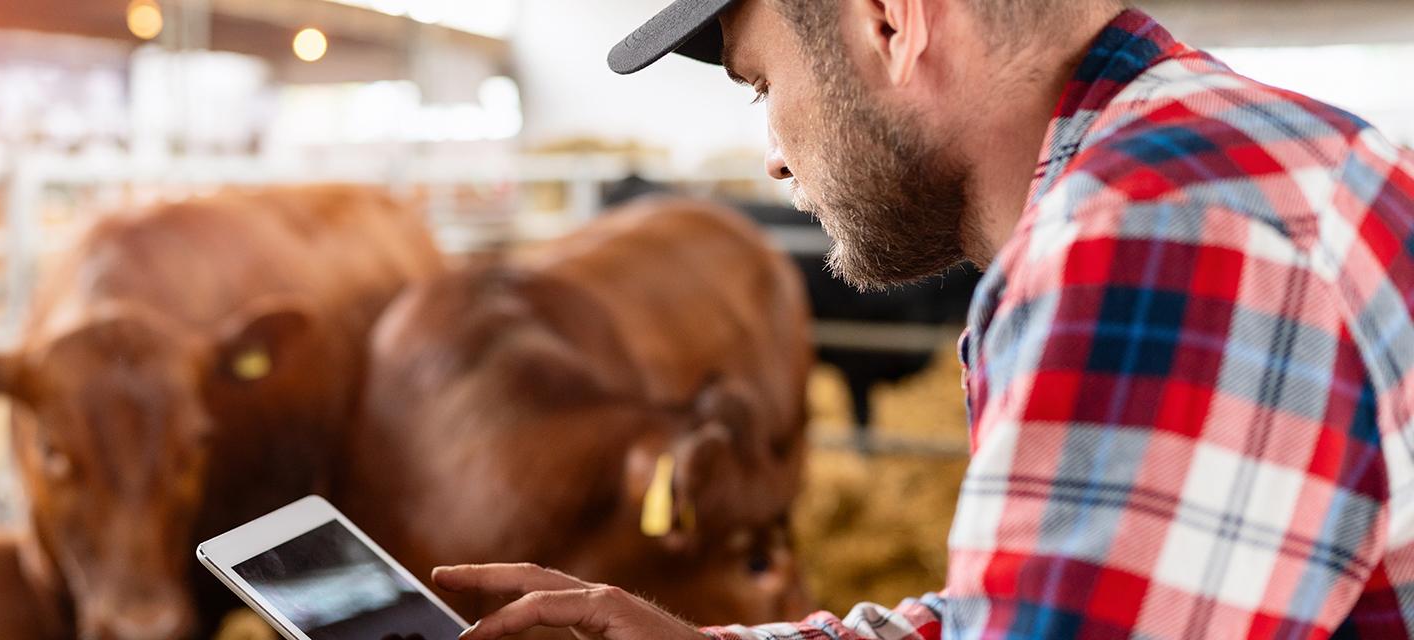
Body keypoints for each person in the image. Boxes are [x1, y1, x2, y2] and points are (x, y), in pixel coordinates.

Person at [433, 0, 1414, 638]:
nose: (772, 157)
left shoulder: (1145, 240)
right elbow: (1026, 618)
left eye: (764, 85)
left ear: (890, 24)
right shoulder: (1212, 160)